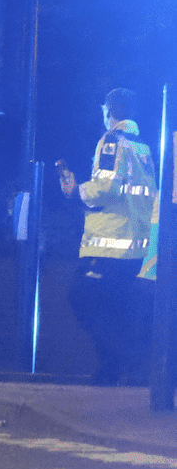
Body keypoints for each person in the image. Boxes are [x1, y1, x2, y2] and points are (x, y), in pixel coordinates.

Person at [57, 87, 156, 385]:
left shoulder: (112, 141)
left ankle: (122, 361)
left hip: (109, 245)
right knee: (115, 306)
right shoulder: (142, 147)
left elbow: (107, 187)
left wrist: (77, 191)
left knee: (82, 297)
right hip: (134, 245)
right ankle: (113, 371)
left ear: (108, 111)